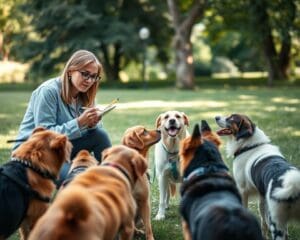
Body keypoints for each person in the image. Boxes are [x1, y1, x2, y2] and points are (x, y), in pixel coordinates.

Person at [12, 49, 112, 186]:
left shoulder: (86, 95)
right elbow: (43, 136)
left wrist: (92, 123)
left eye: (94, 76)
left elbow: (92, 133)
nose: (89, 80)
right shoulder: (48, 91)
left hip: (63, 148)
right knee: (79, 181)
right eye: (85, 74)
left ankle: (111, 177)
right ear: (70, 71)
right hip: (37, 152)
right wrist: (79, 122)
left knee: (100, 134)